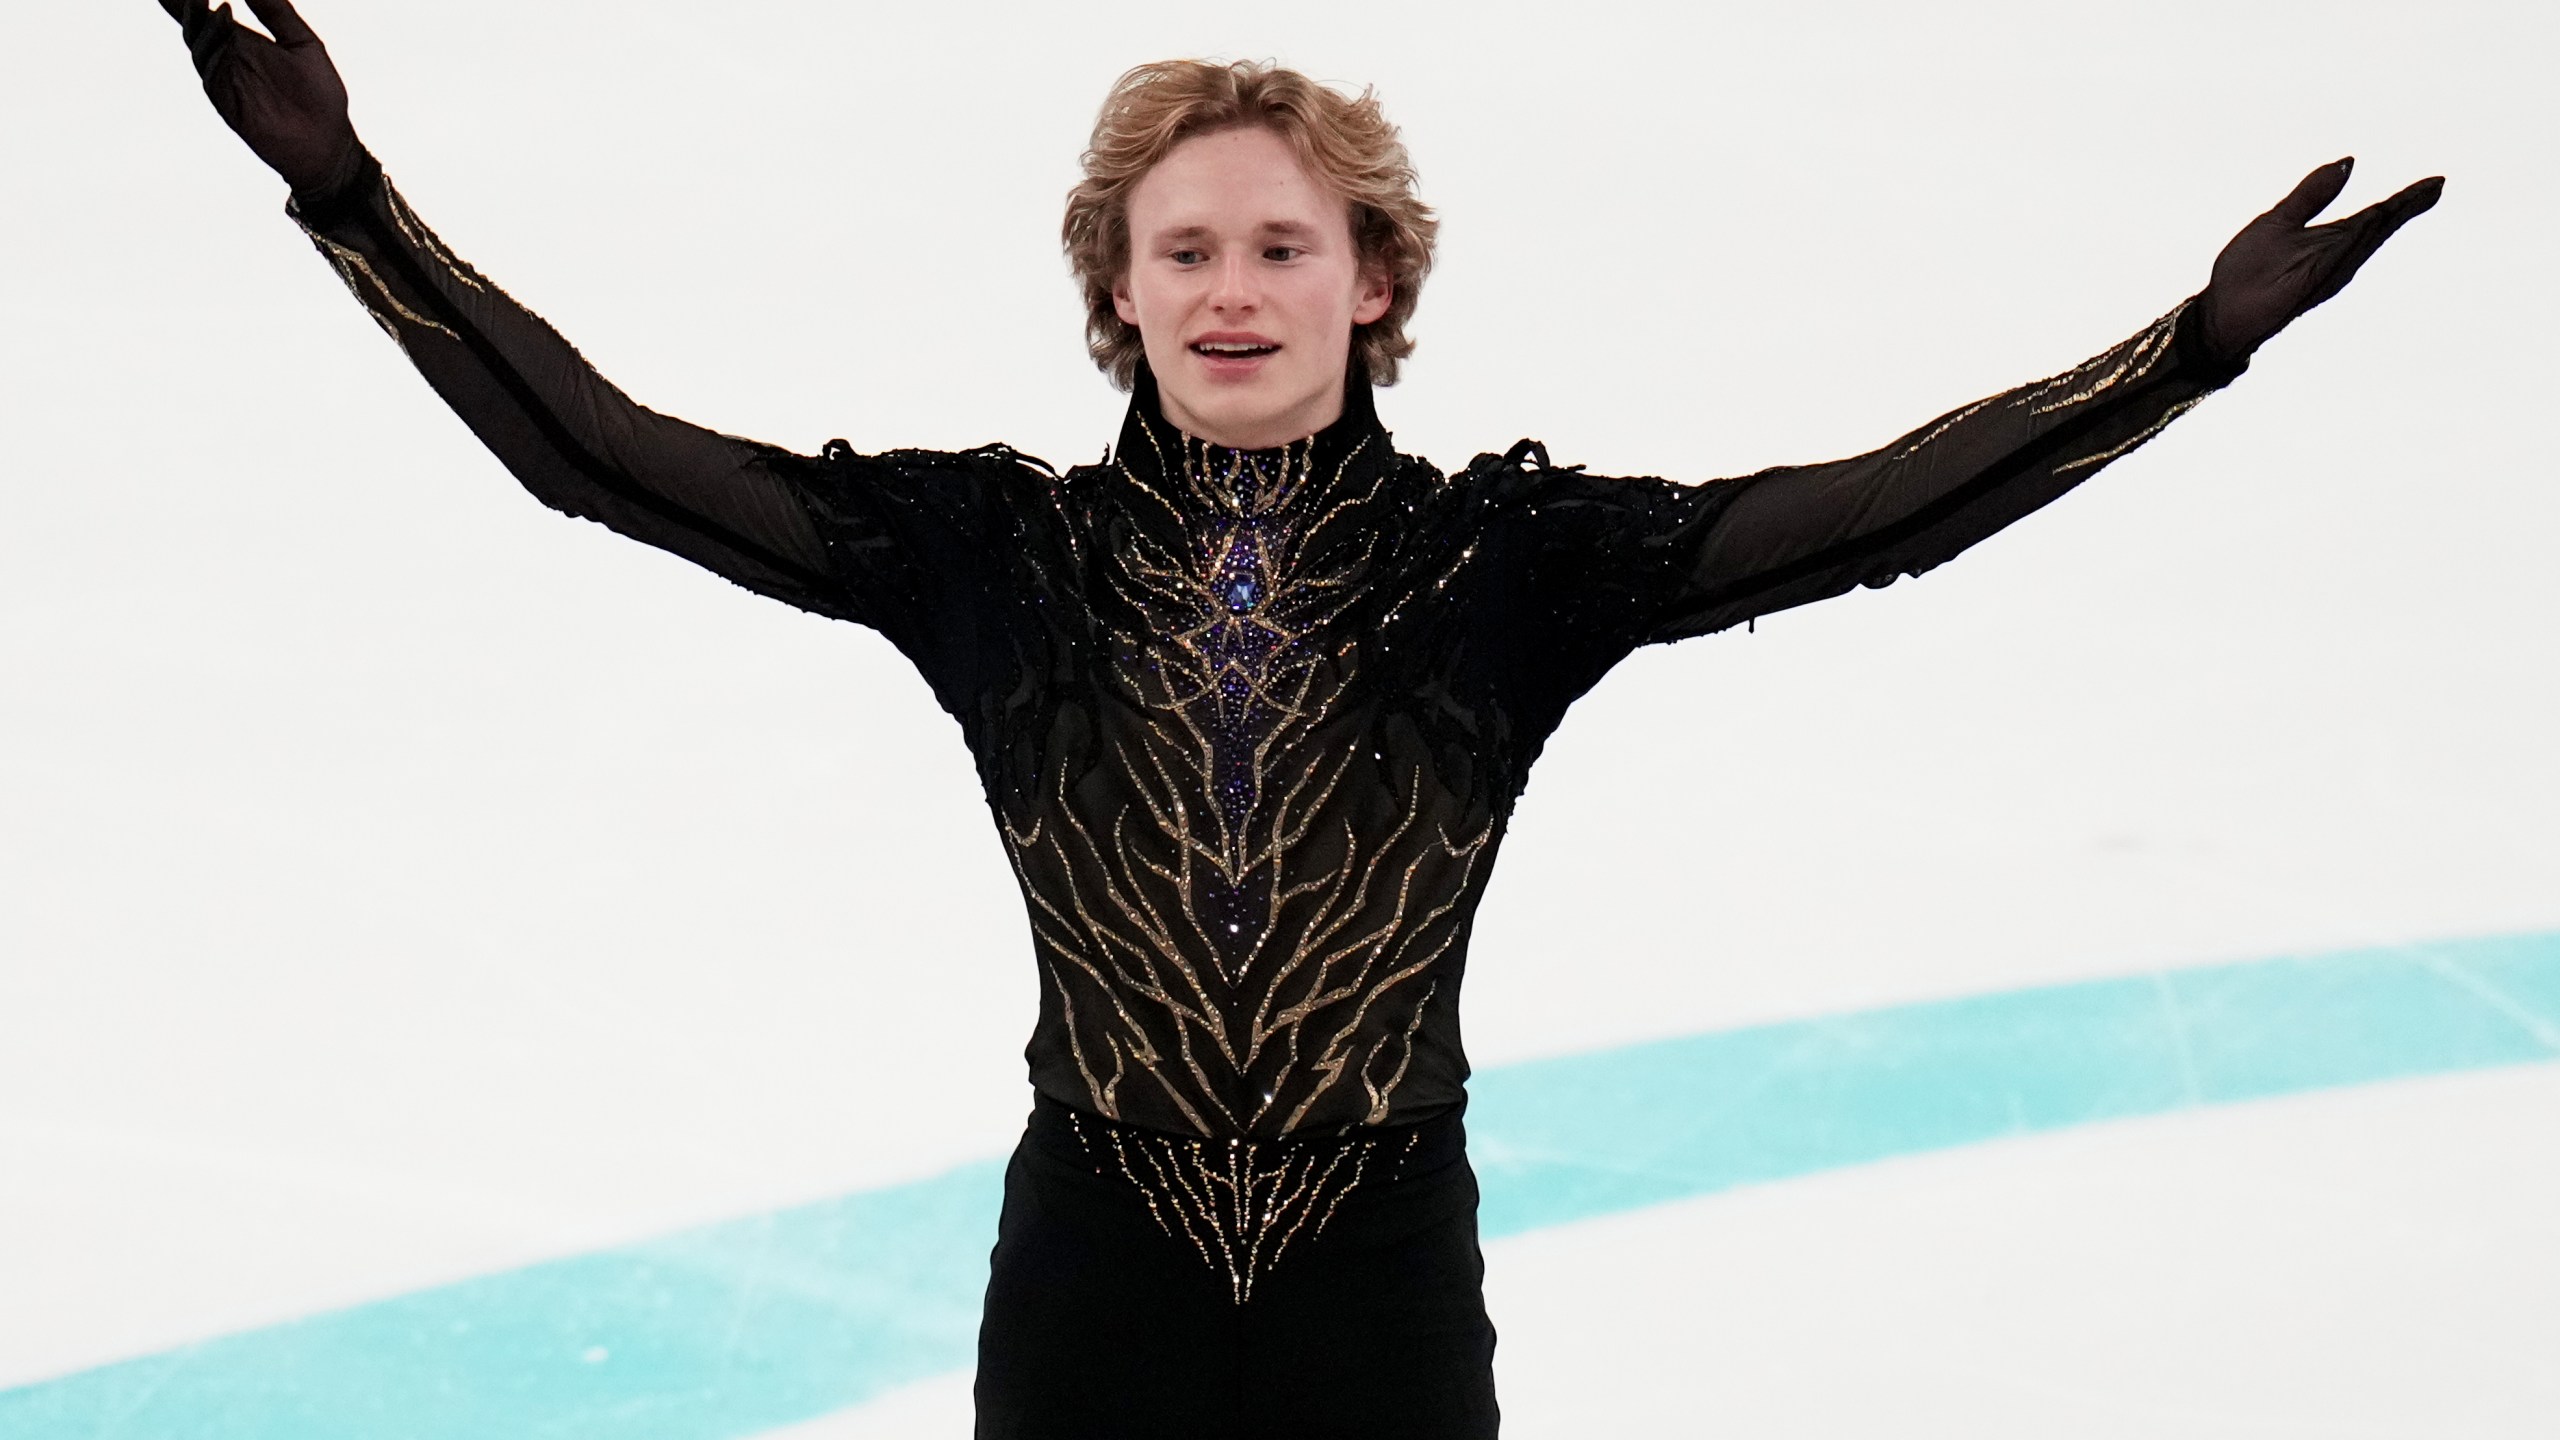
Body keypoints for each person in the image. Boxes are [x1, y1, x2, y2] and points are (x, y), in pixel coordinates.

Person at [153, 1, 2443, 1435]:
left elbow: (1868, 519)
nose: (1230, 289)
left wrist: (2186, 348)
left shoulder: (1501, 563)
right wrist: (350, 199)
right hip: (1096, 1262)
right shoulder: (995, 553)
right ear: (1114, 291)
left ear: (1373, 279)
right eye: (1182, 250)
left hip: (1374, 1271)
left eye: (1277, 246)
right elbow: (601, 460)